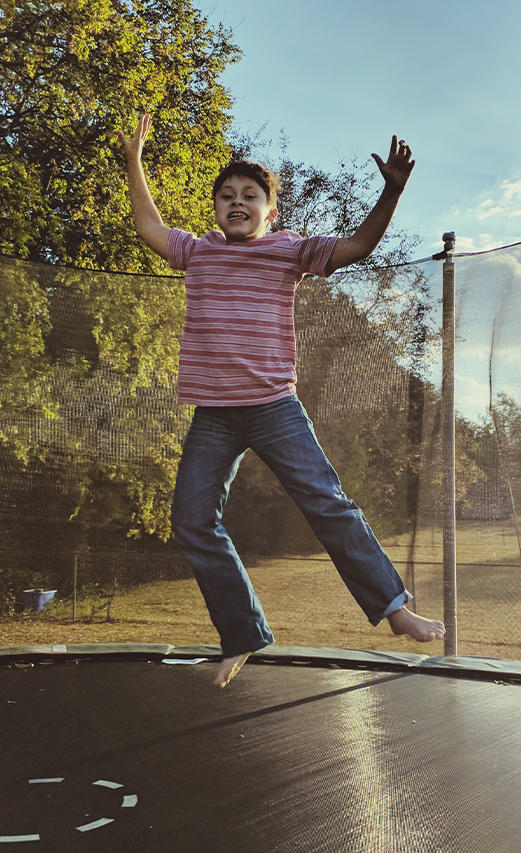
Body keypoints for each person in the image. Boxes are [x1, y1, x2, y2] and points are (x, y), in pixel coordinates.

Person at [118, 114, 445, 687]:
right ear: (215, 208)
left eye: (250, 196)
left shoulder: (290, 251)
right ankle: (242, 634)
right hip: (214, 415)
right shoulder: (197, 252)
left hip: (273, 407)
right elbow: (148, 225)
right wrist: (135, 162)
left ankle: (394, 609)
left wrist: (390, 191)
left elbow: (360, 246)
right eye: (227, 195)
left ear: (272, 212)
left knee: (328, 503)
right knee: (192, 520)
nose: (237, 202)